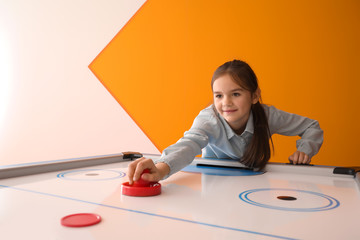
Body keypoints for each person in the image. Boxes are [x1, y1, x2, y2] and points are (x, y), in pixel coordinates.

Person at [127, 59, 323, 184]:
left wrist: (304, 150)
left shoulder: (268, 115)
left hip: (255, 183)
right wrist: (161, 169)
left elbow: (311, 126)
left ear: (255, 96)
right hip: (215, 184)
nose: (226, 103)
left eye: (235, 94)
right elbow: (188, 145)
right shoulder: (208, 119)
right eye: (218, 95)